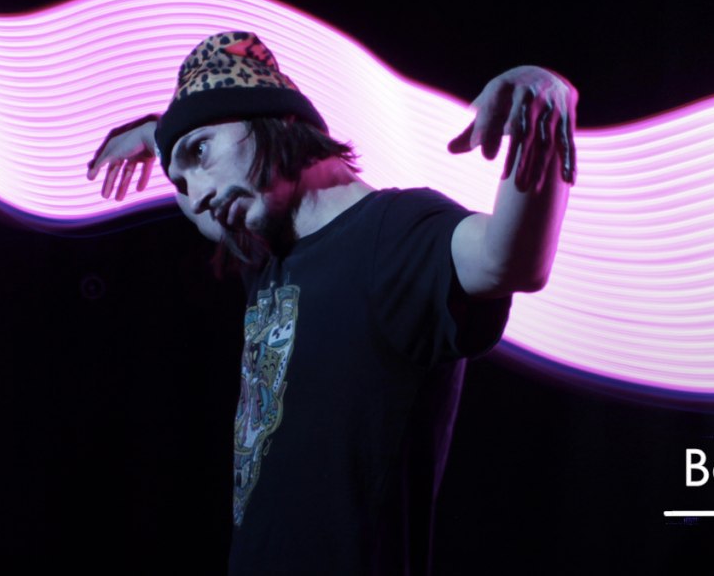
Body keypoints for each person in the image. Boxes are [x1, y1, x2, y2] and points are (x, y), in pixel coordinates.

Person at [85, 31, 576, 575]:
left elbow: (510, 262)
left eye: (200, 152)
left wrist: (545, 106)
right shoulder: (269, 257)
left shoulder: (395, 236)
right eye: (180, 181)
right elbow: (207, 177)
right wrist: (162, 137)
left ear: (274, 116)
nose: (196, 195)